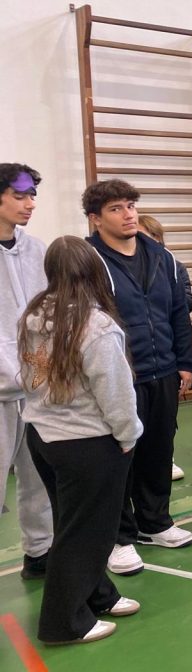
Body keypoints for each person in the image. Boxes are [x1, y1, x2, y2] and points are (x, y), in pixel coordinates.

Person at [19, 236, 143, 645]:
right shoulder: (96, 325)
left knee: (73, 524)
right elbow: (116, 391)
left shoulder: (35, 315)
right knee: (89, 532)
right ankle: (64, 622)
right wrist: (128, 435)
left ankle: (98, 595)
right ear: (94, 272)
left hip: (43, 438)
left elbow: (30, 376)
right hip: (87, 443)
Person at [83, 179, 192, 576]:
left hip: (163, 370)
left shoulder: (161, 257)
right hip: (118, 377)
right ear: (96, 219)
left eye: (131, 205)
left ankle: (155, 523)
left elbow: (178, 313)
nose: (128, 214)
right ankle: (118, 538)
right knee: (120, 459)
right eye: (116, 208)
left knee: (158, 451)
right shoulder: (89, 261)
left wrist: (186, 362)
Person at [0, 163, 53, 581]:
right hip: (1, 392)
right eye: (19, 196)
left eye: (32, 195)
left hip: (36, 389)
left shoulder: (36, 249)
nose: (30, 204)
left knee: (38, 476)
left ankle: (40, 553)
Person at [137, 213, 192, 483]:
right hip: (138, 358)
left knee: (166, 413)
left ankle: (166, 457)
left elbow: (186, 303)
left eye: (153, 237)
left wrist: (165, 298)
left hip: (167, 350)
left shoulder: (174, 266)